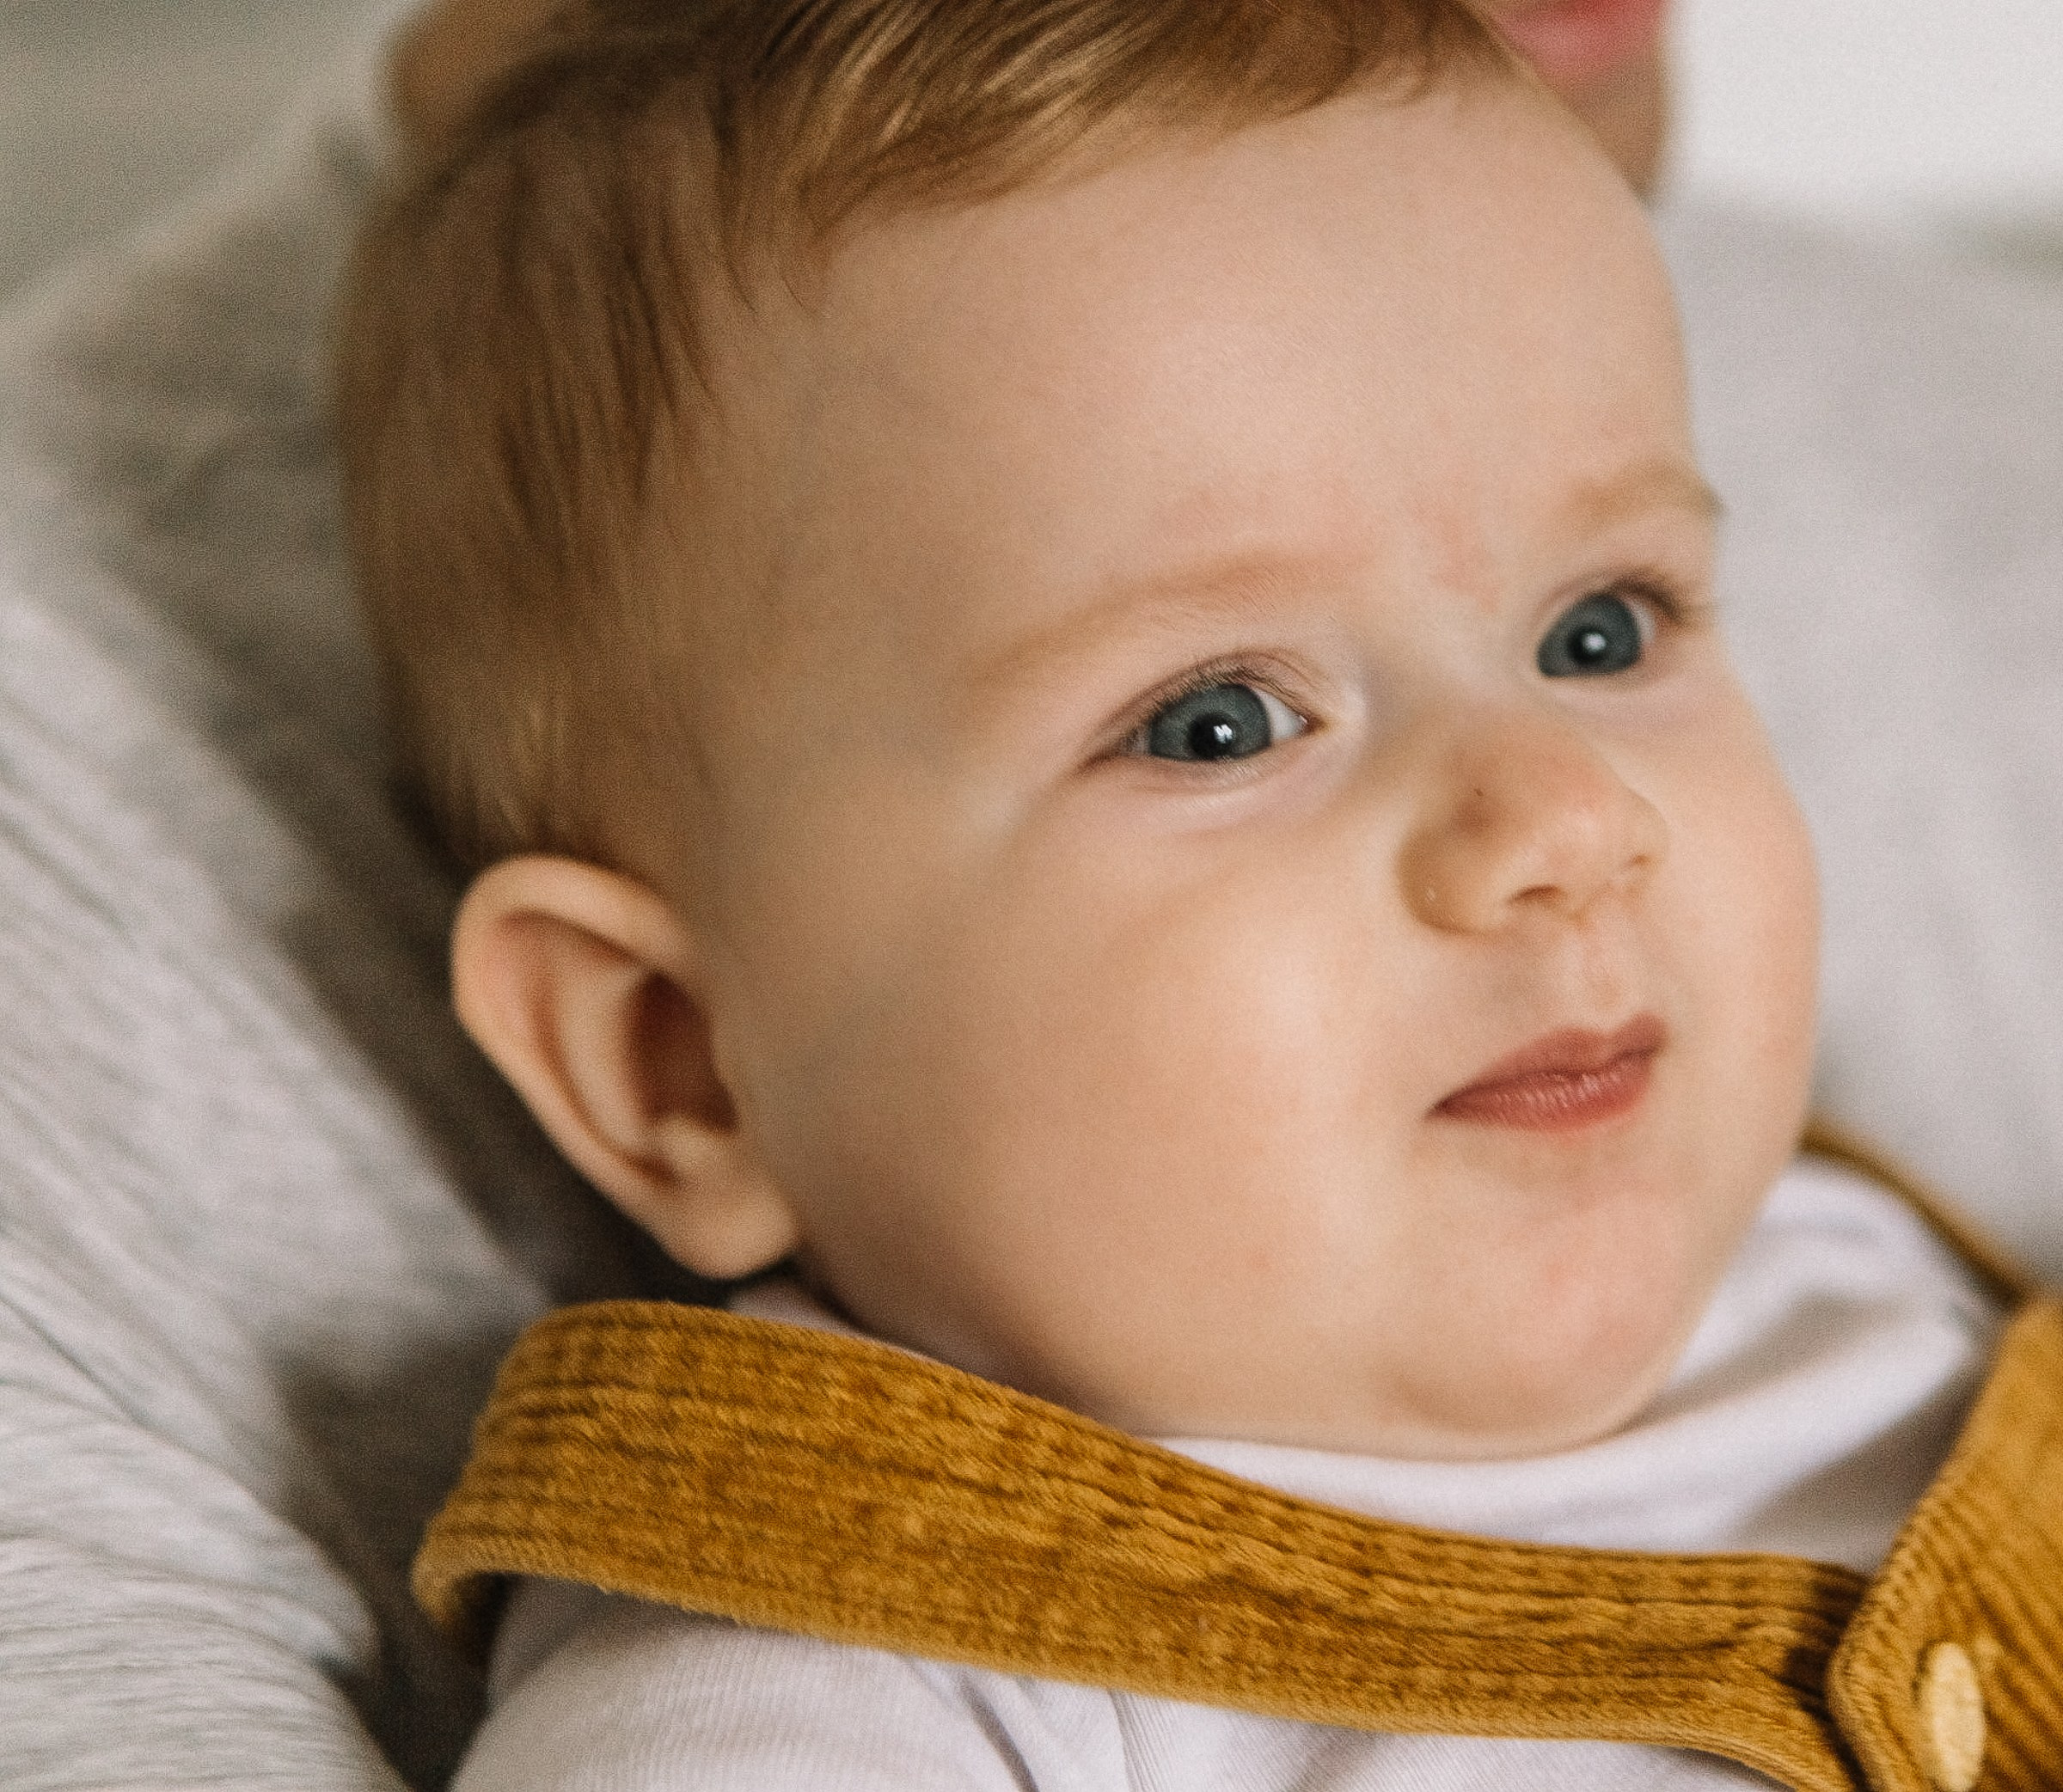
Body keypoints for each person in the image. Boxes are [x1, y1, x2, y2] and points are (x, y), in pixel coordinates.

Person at [3, 0, 2061, 1788]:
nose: (1563, 813)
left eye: (1606, 630)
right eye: (1222, 723)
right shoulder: (840, 1692)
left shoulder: (1869, 1287)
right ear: (678, 1056)